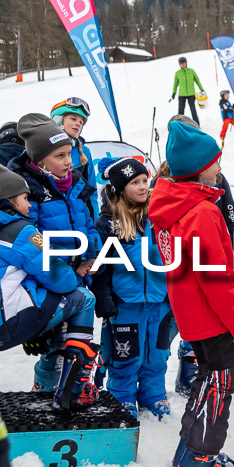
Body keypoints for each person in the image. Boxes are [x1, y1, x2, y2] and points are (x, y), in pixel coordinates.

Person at [149, 120, 234, 467]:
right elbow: (215, 278)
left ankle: (188, 452)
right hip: (216, 319)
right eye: (216, 161)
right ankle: (201, 457)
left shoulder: (170, 206)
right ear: (199, 168)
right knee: (218, 390)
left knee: (205, 385)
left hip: (193, 318)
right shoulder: (202, 212)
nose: (220, 167)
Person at [9, 113, 102, 393]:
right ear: (39, 161)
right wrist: (68, 269)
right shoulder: (29, 192)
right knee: (53, 348)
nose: (67, 161)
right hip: (48, 281)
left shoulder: (75, 183)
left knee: (75, 340)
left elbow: (88, 224)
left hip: (78, 275)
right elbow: (33, 243)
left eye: (69, 154)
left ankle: (72, 390)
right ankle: (47, 390)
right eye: (59, 156)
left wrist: (90, 255)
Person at [0, 164, 99, 412]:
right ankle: (73, 391)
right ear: (9, 200)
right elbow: (59, 278)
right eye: (24, 199)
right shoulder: (21, 232)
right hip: (7, 324)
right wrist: (77, 272)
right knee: (83, 298)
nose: (30, 205)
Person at [90, 157, 172, 421]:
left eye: (145, 181)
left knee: (157, 353)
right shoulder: (109, 223)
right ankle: (122, 395)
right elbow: (101, 266)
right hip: (126, 302)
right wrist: (103, 298)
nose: (142, 187)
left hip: (159, 299)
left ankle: (153, 393)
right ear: (119, 187)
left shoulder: (159, 214)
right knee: (125, 354)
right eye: (134, 182)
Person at [50, 98, 99, 221]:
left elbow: (91, 191)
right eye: (73, 119)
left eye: (81, 122)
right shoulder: (43, 148)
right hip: (51, 216)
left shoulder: (84, 152)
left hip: (79, 216)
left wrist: (95, 221)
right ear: (58, 120)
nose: (78, 123)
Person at [171, 57, 204, 126]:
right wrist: (174, 92)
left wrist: (202, 89)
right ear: (179, 64)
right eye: (181, 63)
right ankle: (180, 126)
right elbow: (175, 84)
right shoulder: (178, 73)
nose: (183, 64)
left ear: (186, 63)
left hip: (191, 94)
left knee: (193, 110)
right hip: (182, 95)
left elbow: (197, 81)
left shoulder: (191, 71)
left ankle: (197, 125)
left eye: (184, 63)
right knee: (180, 111)